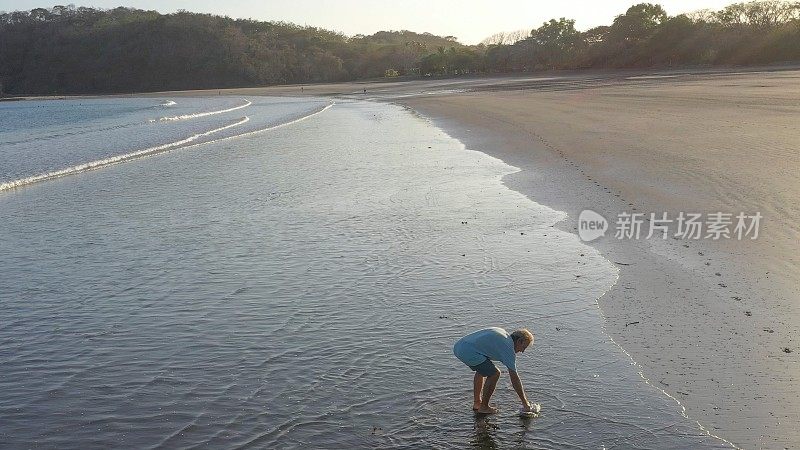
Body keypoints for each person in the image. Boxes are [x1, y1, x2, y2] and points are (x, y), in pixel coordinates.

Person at [453, 327, 535, 414]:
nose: (522, 351)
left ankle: (477, 403)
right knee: (495, 374)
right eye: (523, 347)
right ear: (519, 341)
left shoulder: (503, 334)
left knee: (482, 370)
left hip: (459, 347)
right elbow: (515, 379)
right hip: (468, 352)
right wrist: (525, 403)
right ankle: (484, 407)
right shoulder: (508, 347)